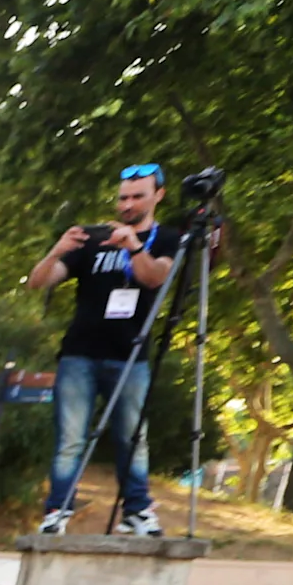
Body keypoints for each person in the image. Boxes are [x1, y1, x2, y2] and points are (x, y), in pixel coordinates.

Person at [25, 162, 191, 536]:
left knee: (133, 438)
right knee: (70, 438)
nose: (127, 204)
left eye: (137, 197)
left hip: (129, 355)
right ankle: (57, 511)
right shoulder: (91, 238)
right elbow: (37, 282)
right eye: (123, 198)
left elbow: (155, 277)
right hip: (79, 354)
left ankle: (136, 511)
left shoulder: (166, 238)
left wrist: (133, 246)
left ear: (157, 196)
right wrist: (57, 251)